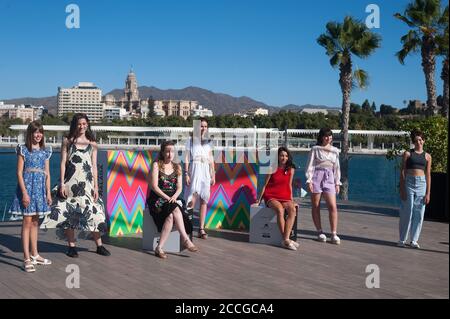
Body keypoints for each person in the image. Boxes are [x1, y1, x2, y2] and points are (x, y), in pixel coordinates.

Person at [40, 113, 110, 258]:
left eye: (84, 124)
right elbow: (62, 163)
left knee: (94, 213)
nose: (82, 126)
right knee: (69, 215)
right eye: (79, 124)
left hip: (87, 185)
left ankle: (99, 245)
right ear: (74, 125)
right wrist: (62, 184)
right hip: (70, 184)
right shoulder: (67, 141)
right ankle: (72, 247)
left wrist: (96, 187)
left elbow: (94, 166)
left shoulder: (92, 143)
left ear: (88, 124)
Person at [9, 121, 53, 272]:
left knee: (35, 222)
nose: (38, 134)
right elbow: (19, 173)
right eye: (35, 132)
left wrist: (48, 192)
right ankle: (26, 258)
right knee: (27, 222)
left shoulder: (45, 151)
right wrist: (24, 193)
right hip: (27, 188)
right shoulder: (24, 150)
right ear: (30, 133)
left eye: (40, 132)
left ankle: (35, 255)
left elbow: (47, 174)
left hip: (40, 189)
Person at [148, 140, 199, 258]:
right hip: (158, 198)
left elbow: (180, 187)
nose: (170, 154)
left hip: (172, 198)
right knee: (174, 209)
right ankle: (185, 239)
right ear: (162, 152)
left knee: (171, 214)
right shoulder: (157, 165)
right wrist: (168, 198)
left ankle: (159, 247)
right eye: (167, 151)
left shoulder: (177, 167)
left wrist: (174, 197)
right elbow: (154, 187)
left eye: (172, 151)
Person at [254, 147, 299, 251]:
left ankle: (285, 239)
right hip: (271, 195)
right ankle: (287, 239)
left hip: (285, 196)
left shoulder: (291, 169)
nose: (284, 158)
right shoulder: (271, 168)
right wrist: (259, 200)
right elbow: (264, 185)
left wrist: (291, 200)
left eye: (286, 156)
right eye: (282, 155)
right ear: (278, 157)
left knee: (292, 210)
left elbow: (290, 185)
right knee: (279, 209)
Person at [305, 128, 341, 244]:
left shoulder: (335, 150)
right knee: (316, 205)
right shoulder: (315, 149)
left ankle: (334, 233)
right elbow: (310, 165)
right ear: (321, 137)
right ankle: (320, 231)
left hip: (329, 177)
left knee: (332, 206)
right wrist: (309, 180)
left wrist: (337, 182)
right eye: (326, 136)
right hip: (317, 176)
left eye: (330, 136)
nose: (328, 138)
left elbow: (337, 167)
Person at [398, 130, 432, 249]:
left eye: (420, 139)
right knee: (407, 211)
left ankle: (414, 240)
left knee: (419, 213)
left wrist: (428, 192)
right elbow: (403, 171)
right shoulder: (408, 154)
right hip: (409, 182)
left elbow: (428, 175)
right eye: (416, 140)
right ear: (413, 142)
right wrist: (401, 188)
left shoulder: (427, 156)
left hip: (422, 184)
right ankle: (402, 239)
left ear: (423, 141)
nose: (418, 142)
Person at [184, 117, 215, 239]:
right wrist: (186, 173)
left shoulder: (209, 142)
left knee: (204, 200)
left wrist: (213, 174)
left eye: (206, 126)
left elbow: (211, 159)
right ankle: (188, 227)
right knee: (192, 198)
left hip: (206, 170)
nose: (204, 128)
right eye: (202, 126)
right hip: (195, 168)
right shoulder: (190, 140)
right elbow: (186, 157)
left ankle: (201, 229)